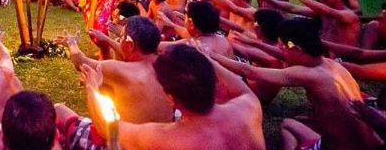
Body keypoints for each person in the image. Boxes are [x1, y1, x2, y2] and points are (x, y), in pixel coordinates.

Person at [210, 18, 383, 150]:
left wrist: (212, 57)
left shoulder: (309, 75)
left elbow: (250, 72)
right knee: (289, 123)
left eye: (283, 47)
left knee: (288, 126)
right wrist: (253, 42)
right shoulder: (334, 66)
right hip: (372, 141)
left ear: (298, 49)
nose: (281, 51)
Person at [76, 44, 266, 150]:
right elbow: (242, 89)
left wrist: (92, 88)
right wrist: (207, 60)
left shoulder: (164, 138)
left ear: (170, 98)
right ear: (215, 81)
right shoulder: (249, 107)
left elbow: (107, 127)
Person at [56, 16, 173, 124]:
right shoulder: (169, 66)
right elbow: (129, 53)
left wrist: (71, 43)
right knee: (107, 88)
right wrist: (107, 40)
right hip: (162, 138)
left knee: (59, 110)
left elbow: (81, 63)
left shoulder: (121, 70)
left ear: (130, 45)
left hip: (127, 142)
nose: (118, 41)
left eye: (121, 37)